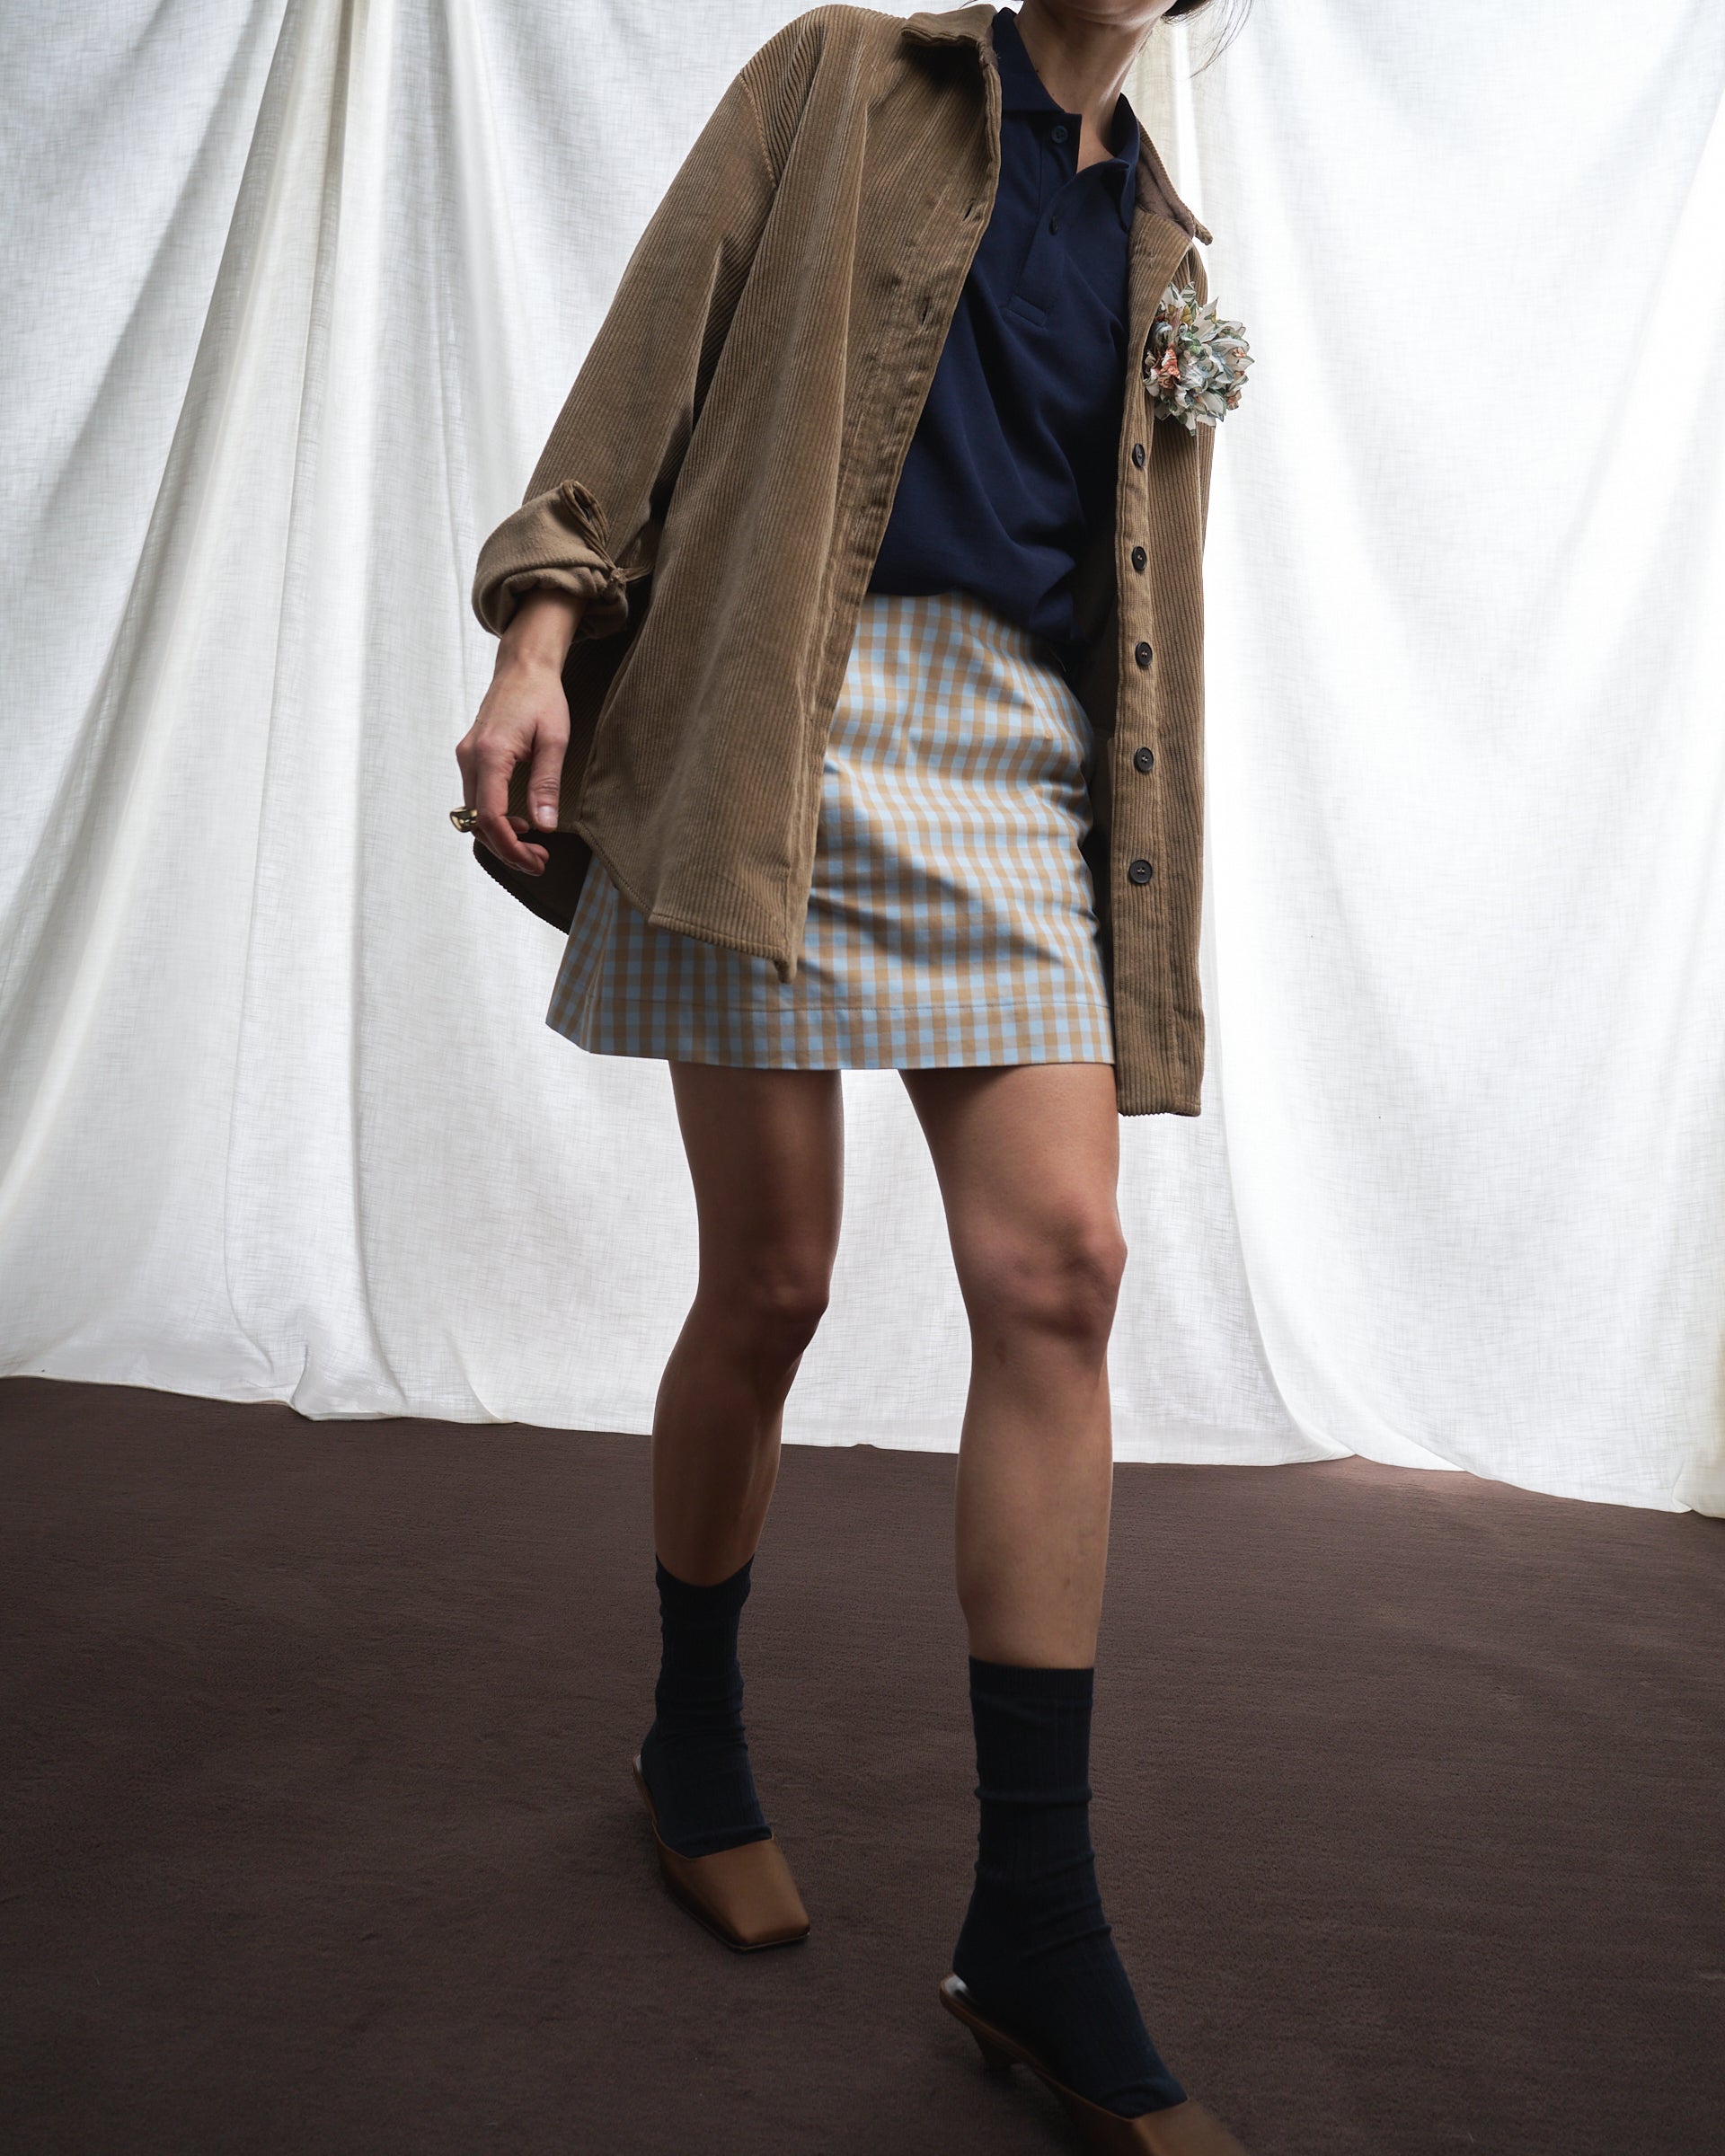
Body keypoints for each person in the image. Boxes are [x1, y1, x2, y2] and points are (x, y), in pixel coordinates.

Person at [456, 4, 1252, 2149]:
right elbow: (657, 344)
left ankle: (1035, 1923)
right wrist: (538, 636)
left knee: (1065, 1270)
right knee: (775, 1283)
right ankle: (691, 1741)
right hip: (773, 733)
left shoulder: (1163, 240)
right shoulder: (840, 76)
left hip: (1025, 764)